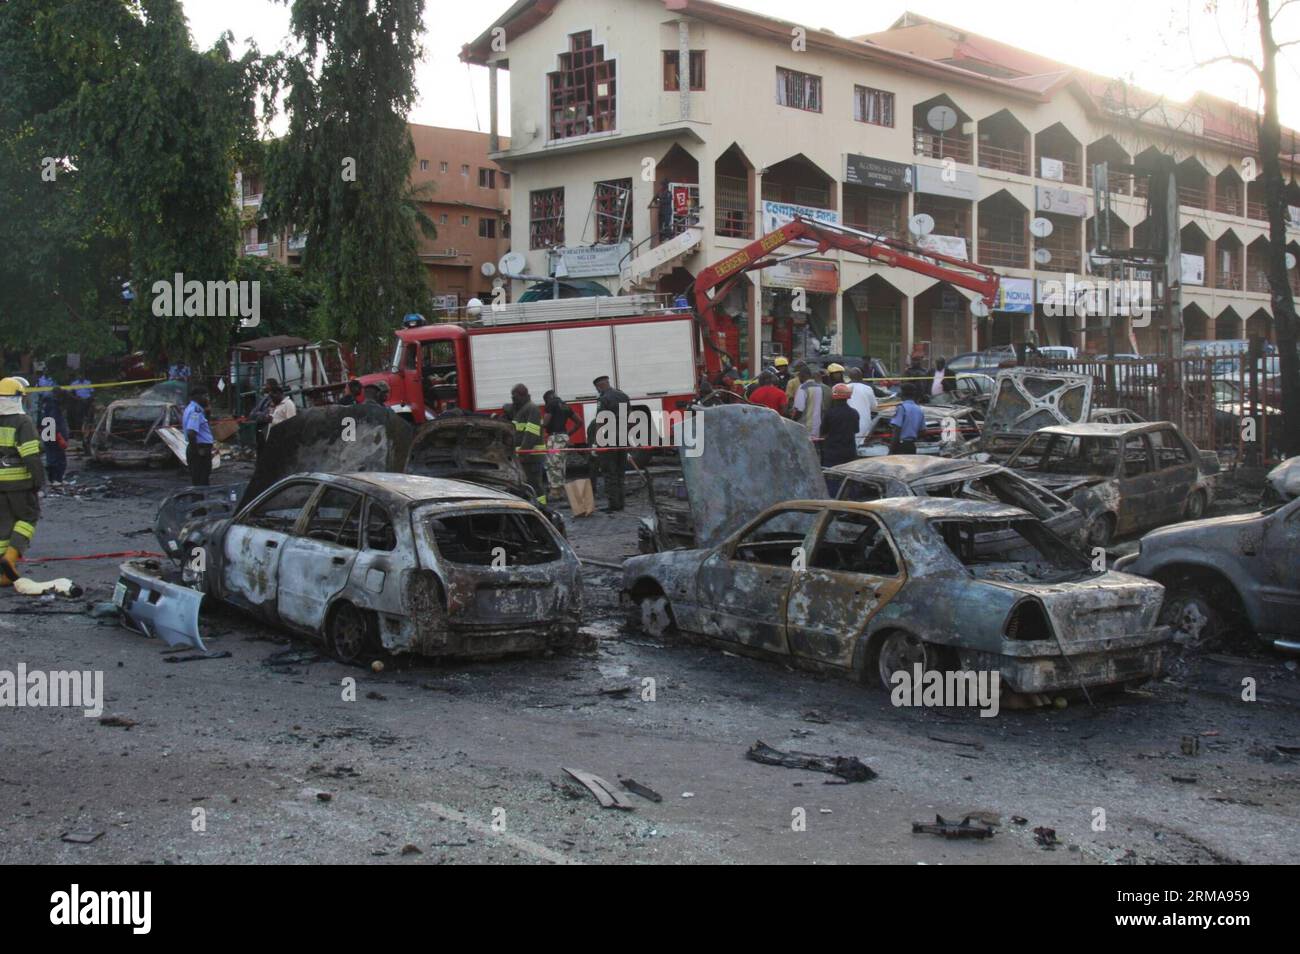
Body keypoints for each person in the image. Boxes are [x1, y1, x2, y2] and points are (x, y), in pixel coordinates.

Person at [0, 377, 45, 584]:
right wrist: (39, 481)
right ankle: (10, 558)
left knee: (4, 525)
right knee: (29, 517)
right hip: (19, 483)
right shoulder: (22, 422)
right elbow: (30, 455)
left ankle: (2, 574)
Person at [593, 374, 629, 512]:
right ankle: (621, 503)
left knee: (609, 472)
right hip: (622, 439)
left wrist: (597, 441)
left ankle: (614, 504)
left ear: (600, 386)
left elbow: (600, 421)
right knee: (620, 472)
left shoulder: (603, 399)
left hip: (608, 440)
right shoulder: (623, 395)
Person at [509, 384, 546, 505]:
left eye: (514, 397)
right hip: (525, 456)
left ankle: (542, 508)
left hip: (531, 456)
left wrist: (522, 453)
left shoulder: (532, 409)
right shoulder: (522, 409)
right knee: (527, 484)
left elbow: (531, 434)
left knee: (535, 485)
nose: (512, 400)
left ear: (522, 395)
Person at [542, 390, 580, 495]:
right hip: (563, 437)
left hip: (554, 438)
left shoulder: (551, 404)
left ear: (547, 399)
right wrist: (568, 434)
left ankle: (555, 491)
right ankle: (561, 490)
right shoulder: (564, 405)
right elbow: (579, 422)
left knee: (552, 464)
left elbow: (545, 423)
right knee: (561, 464)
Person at [820, 383, 861, 469]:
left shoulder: (830, 414)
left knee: (832, 478)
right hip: (849, 453)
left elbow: (823, 432)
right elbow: (856, 430)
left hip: (832, 454)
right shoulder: (854, 413)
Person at [183, 386, 215, 486]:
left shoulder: (194, 409)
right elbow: (191, 432)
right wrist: (197, 451)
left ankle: (200, 500)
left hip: (200, 448)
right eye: (205, 396)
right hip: (200, 449)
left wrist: (208, 413)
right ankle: (199, 501)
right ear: (198, 397)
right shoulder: (195, 411)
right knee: (201, 482)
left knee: (201, 480)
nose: (208, 399)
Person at [40, 387, 70, 484]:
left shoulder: (48, 404)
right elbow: (53, 421)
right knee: (56, 458)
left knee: (53, 457)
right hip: (53, 435)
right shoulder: (53, 405)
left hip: (49, 433)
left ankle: (57, 479)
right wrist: (59, 437)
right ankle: (55, 479)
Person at [792, 364, 830, 436]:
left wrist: (792, 421)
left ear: (802, 375)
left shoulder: (803, 387)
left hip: (805, 427)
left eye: (799, 376)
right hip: (817, 427)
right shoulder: (819, 387)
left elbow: (799, 410)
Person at [889, 383, 926, 455]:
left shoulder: (901, 408)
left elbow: (897, 429)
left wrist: (891, 450)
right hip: (912, 446)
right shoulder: (919, 409)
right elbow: (923, 431)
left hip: (901, 446)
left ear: (902, 394)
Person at [845, 367, 878, 441]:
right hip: (864, 423)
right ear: (861, 377)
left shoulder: (844, 388)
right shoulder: (867, 388)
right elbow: (874, 407)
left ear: (849, 377)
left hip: (847, 423)